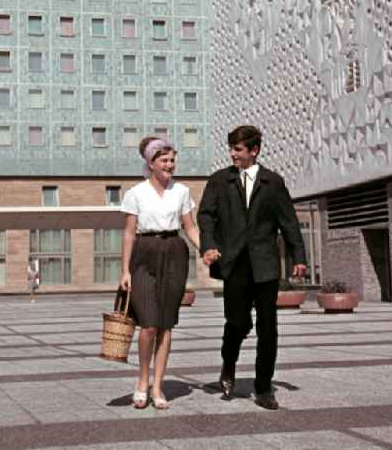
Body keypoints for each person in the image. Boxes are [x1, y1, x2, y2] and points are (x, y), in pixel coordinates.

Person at [198, 125, 307, 410]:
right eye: (231, 148)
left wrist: (299, 257)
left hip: (265, 264)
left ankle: (263, 388)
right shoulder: (220, 181)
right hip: (234, 263)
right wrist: (208, 245)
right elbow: (206, 215)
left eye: (237, 149)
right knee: (237, 322)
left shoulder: (273, 182)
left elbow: (289, 222)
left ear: (254, 150)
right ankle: (228, 364)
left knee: (268, 327)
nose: (232, 154)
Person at [120, 137, 201, 410]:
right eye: (164, 160)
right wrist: (125, 270)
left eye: (172, 160)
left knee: (166, 324)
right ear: (151, 163)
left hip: (174, 252)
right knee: (148, 325)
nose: (170, 165)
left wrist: (206, 249)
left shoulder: (182, 191)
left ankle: (157, 386)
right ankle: (142, 380)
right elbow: (130, 234)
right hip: (143, 255)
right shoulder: (135, 193)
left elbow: (190, 228)